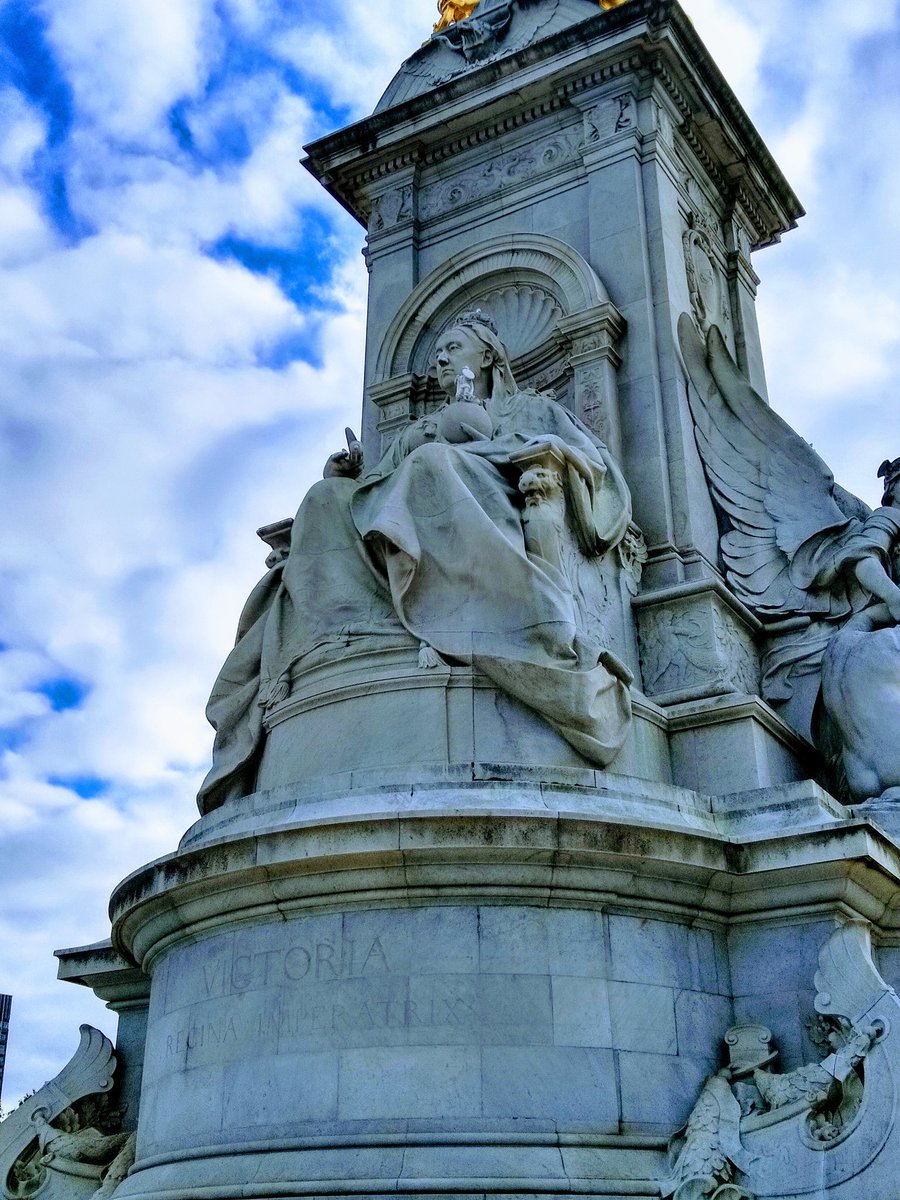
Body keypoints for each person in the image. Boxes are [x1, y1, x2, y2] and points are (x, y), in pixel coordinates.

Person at [198, 311, 634, 812]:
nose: (441, 358)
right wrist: (343, 476)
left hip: (487, 495)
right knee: (323, 500)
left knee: (430, 467)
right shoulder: (423, 427)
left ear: (488, 355)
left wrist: (510, 445)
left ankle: (463, 618)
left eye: (452, 347)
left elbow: (595, 464)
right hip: (420, 508)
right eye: (437, 353)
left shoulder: (529, 410)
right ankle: (355, 631)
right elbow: (375, 492)